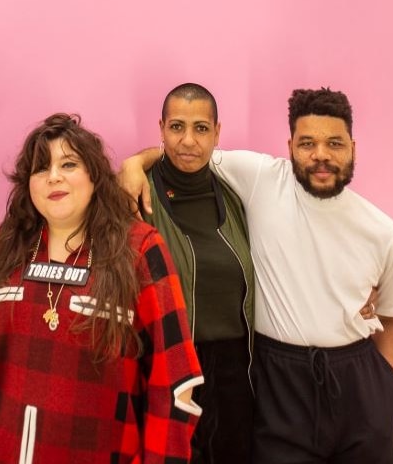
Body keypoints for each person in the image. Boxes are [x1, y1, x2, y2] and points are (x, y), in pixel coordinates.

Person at [121, 87, 393, 463]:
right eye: (307, 143)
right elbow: (184, 151)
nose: (321, 155)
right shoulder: (260, 179)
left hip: (358, 382)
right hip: (278, 381)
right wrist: (131, 165)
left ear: (353, 147)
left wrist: (388, 395)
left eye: (334, 143)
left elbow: (390, 319)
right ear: (289, 146)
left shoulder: (382, 231)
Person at [0, 113, 203, 463]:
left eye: (69, 164)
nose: (54, 176)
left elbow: (174, 377)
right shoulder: (1, 249)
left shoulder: (138, 250)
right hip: (2, 449)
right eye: (40, 168)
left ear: (94, 175)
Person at [119, 83, 255, 463]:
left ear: (217, 132)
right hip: (167, 364)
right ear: (161, 128)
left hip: (235, 372)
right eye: (177, 127)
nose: (188, 140)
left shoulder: (236, 193)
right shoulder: (135, 193)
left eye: (200, 128)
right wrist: (133, 164)